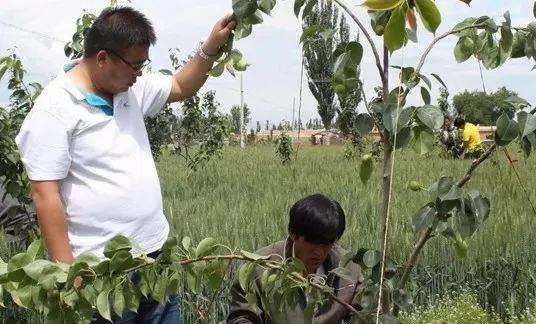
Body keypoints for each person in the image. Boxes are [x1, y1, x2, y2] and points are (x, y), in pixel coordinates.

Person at [15, 6, 235, 323]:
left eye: (142, 65)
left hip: (154, 258)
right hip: (101, 271)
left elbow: (180, 86)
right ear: (103, 58)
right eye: (134, 65)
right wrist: (68, 274)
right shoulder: (54, 108)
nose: (139, 74)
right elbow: (45, 195)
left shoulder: (129, 89)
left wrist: (210, 48)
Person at [227, 194, 362, 324]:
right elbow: (242, 317)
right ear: (293, 234)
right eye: (313, 243)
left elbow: (366, 312)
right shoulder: (259, 268)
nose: (320, 252)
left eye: (327, 244)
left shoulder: (349, 269)